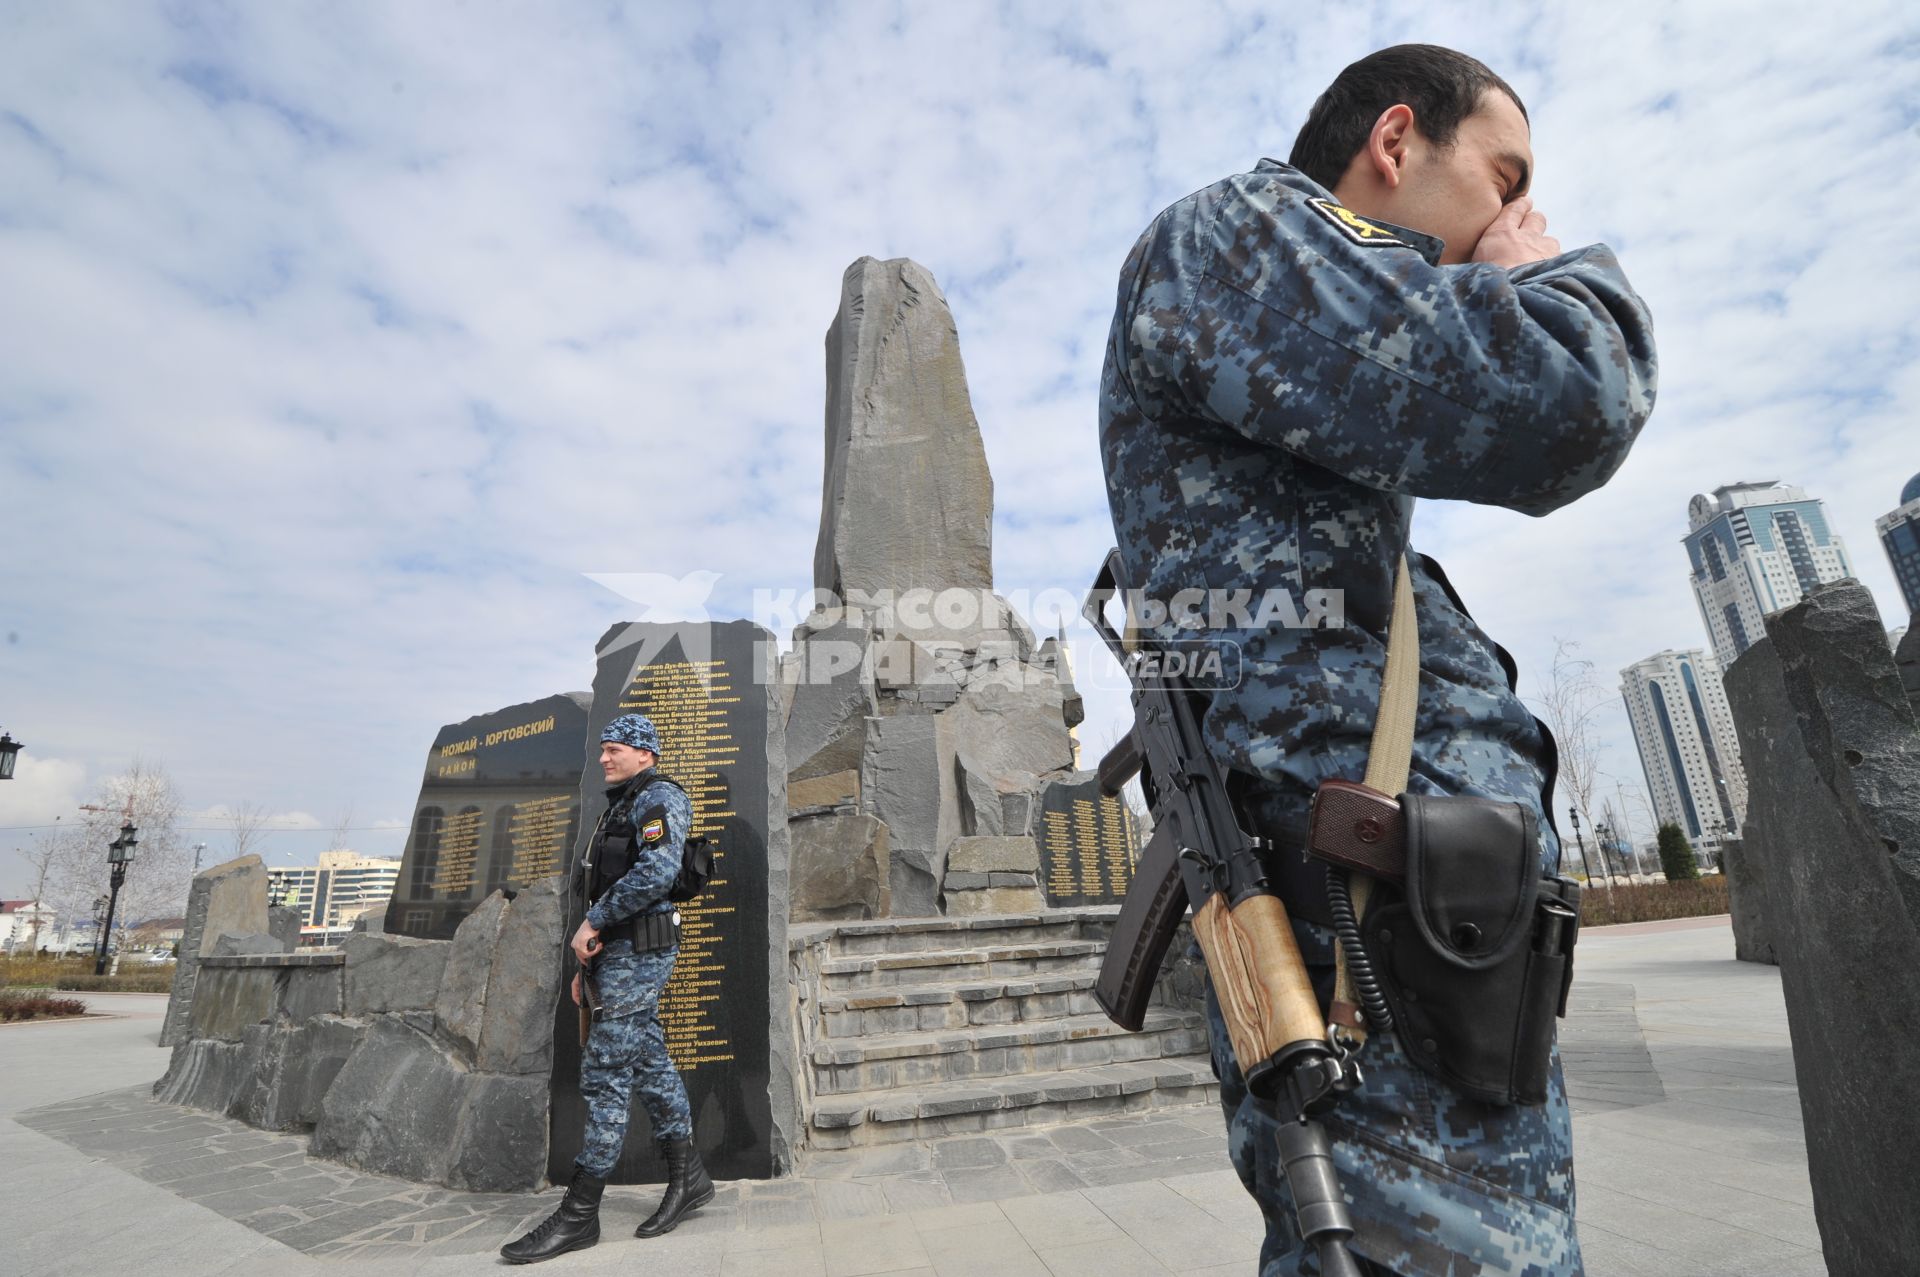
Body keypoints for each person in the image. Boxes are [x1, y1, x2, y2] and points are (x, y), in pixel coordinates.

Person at [1099, 44, 1656, 1277]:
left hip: (1403, 945)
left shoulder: (1279, 330)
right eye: (1502, 179)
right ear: (1396, 144)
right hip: (1366, 940)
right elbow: (1566, 397)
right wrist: (1548, 276)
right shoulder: (1237, 238)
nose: (1515, 217)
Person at [499, 712, 711, 1264]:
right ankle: (689, 1177)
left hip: (640, 948)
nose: (603, 757)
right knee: (649, 1062)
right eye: (603, 749)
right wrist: (585, 971)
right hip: (615, 955)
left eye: (614, 748)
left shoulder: (659, 798)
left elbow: (657, 874)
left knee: (604, 1072)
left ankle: (579, 1215)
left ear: (646, 753)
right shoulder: (620, 805)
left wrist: (593, 923)